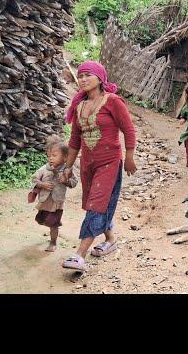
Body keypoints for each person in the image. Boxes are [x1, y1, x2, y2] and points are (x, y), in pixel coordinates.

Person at [60, 60, 137, 271]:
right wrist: (67, 166)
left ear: (100, 79)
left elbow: (129, 130)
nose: (83, 79)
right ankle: (110, 240)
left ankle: (79, 254)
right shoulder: (79, 105)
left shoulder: (112, 101)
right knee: (98, 203)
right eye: (81, 75)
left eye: (88, 75)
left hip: (109, 162)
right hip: (88, 164)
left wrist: (129, 157)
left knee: (97, 204)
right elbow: (75, 139)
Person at [30, 136, 78, 252]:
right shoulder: (44, 169)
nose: (51, 158)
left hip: (57, 203)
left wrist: (66, 181)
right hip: (45, 202)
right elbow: (34, 179)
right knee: (43, 220)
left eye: (54, 156)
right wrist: (42, 184)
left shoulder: (67, 171)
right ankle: (52, 236)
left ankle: (53, 242)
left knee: (54, 224)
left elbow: (74, 182)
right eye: (49, 156)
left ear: (65, 157)